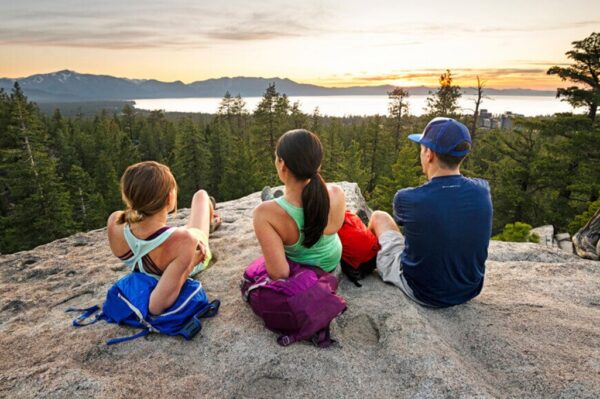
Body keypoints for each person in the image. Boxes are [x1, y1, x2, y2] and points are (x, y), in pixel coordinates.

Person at [368, 117, 492, 307]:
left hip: (422, 292)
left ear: (429, 154)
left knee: (379, 217)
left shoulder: (407, 198)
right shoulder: (483, 190)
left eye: (421, 148)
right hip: (469, 289)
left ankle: (365, 265)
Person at [107, 161, 220, 315]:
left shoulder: (115, 222)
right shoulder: (185, 240)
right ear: (169, 198)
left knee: (182, 232)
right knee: (201, 196)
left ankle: (209, 218)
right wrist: (191, 263)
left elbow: (149, 239)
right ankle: (211, 217)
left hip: (159, 249)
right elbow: (156, 306)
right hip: (185, 253)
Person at [253, 129, 346, 280]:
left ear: (282, 164)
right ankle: (278, 200)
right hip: (333, 264)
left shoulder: (263, 214)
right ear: (318, 164)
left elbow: (280, 274)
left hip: (303, 277)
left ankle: (276, 201)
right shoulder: (337, 193)